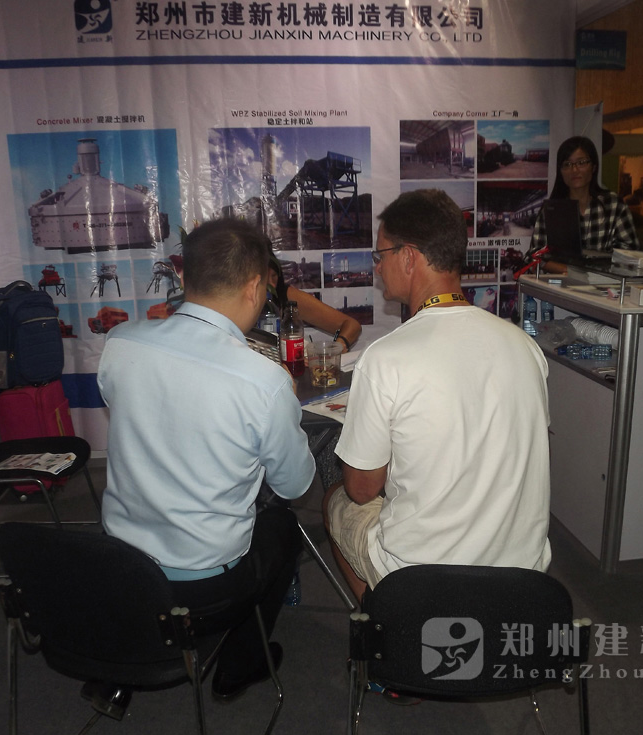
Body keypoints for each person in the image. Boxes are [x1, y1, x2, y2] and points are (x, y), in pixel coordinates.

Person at [97, 218, 316, 703]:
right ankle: (240, 664)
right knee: (282, 527)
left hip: (120, 568)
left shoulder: (121, 342)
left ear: (184, 277)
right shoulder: (264, 381)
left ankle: (133, 647)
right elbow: (296, 485)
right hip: (203, 590)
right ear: (255, 287)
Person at [323, 189, 552, 602]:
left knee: (335, 499)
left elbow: (362, 490)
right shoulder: (525, 346)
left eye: (381, 255)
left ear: (409, 257)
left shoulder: (385, 358)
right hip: (523, 575)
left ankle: (388, 620)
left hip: (420, 578)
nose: (377, 267)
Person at [530, 135, 639, 260]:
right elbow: (535, 256)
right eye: (567, 164)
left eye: (581, 162)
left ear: (594, 167)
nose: (574, 170)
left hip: (604, 273)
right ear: (560, 171)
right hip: (561, 273)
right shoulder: (552, 209)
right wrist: (568, 270)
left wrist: (594, 266)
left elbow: (630, 252)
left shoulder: (613, 204)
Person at [267, 253, 361, 353]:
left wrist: (338, 346)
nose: (271, 284)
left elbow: (352, 325)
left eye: (274, 276)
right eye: (265, 278)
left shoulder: (286, 295)